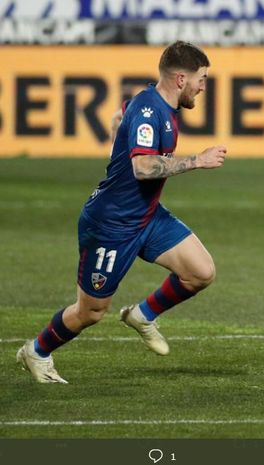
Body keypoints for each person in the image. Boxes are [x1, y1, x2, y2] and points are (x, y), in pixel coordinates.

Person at [16, 41, 227, 383]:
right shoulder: (151, 110)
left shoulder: (153, 105)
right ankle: (36, 351)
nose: (203, 86)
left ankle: (142, 315)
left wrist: (118, 126)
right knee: (91, 312)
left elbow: (122, 115)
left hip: (146, 215)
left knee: (201, 272)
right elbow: (143, 168)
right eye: (200, 79)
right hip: (111, 224)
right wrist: (197, 161)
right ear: (179, 79)